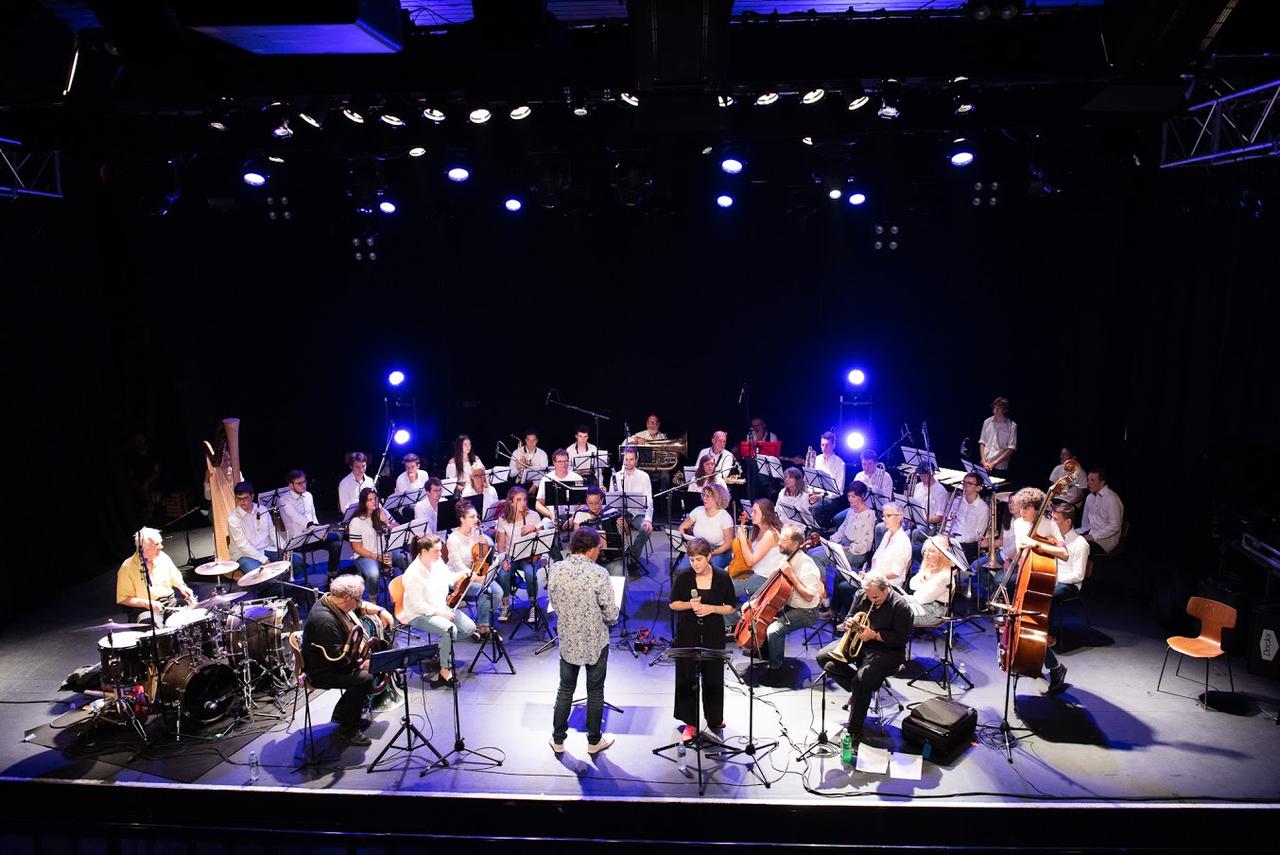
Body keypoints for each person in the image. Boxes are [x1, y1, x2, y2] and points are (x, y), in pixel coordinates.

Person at [815, 570, 913, 751]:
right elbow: (849, 616)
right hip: (859, 641)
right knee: (823, 657)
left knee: (863, 679)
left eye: (875, 596)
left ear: (887, 589)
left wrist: (875, 635)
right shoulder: (862, 595)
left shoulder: (901, 606)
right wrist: (849, 623)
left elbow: (900, 639)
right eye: (868, 595)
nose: (871, 599)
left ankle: (854, 731)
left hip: (887, 651)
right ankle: (860, 693)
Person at [548, 527, 619, 756]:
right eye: (598, 547)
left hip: (568, 640)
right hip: (595, 642)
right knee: (595, 692)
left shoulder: (557, 569)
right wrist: (612, 615)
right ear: (590, 549)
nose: (599, 552)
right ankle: (594, 741)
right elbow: (611, 614)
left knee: (565, 689)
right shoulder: (599, 574)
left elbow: (554, 602)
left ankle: (558, 740)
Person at [300, 574, 393, 746]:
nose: (359, 603)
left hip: (332, 661)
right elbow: (336, 660)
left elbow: (359, 608)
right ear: (348, 597)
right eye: (358, 599)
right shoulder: (325, 621)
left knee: (369, 667)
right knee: (364, 678)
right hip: (322, 671)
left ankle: (344, 713)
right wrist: (364, 664)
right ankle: (347, 729)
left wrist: (381, 610)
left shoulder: (330, 600)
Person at [669, 538, 736, 740]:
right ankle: (690, 723)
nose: (695, 564)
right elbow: (673, 604)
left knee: (713, 676)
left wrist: (711, 609)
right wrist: (691, 605)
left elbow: (731, 606)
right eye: (692, 560)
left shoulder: (722, 577)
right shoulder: (683, 576)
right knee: (687, 677)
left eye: (699, 559)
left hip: (713, 633)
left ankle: (714, 717)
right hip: (688, 633)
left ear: (709, 557)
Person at [399, 534, 477, 684]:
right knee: (449, 630)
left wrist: (464, 574)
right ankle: (444, 670)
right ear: (423, 551)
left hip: (441, 607)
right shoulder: (412, 574)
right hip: (419, 614)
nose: (440, 554)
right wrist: (441, 613)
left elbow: (448, 578)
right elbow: (418, 606)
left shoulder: (437, 561)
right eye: (436, 551)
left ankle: (441, 649)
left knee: (469, 629)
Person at [758, 525, 824, 671]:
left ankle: (775, 666)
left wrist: (791, 575)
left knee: (774, 630)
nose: (779, 542)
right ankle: (763, 654)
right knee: (761, 619)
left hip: (806, 611)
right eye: (780, 538)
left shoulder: (807, 565)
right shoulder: (787, 557)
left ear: (795, 544)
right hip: (790, 605)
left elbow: (808, 596)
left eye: (784, 540)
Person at [445, 501, 503, 635]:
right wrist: (479, 579)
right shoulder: (453, 539)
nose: (476, 520)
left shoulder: (477, 534)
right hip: (460, 578)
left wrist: (486, 545)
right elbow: (459, 567)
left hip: (477, 574)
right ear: (462, 519)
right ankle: (484, 626)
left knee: (498, 592)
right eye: (472, 517)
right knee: (486, 591)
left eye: (476, 516)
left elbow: (482, 559)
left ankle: (481, 620)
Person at [117, 527, 195, 622]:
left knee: (190, 616)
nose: (161, 547)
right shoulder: (127, 567)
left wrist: (182, 587)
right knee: (154, 629)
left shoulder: (162, 556)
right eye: (157, 544)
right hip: (145, 608)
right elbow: (123, 598)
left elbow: (175, 576)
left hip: (169, 602)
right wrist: (147, 603)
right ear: (144, 549)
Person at [277, 469, 344, 580]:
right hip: (298, 540)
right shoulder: (284, 500)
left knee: (336, 543)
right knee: (338, 536)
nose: (303, 485)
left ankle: (332, 575)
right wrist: (315, 529)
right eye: (299, 483)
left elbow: (312, 516)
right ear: (290, 486)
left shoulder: (308, 495)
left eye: (304, 482)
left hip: (313, 535)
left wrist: (321, 531)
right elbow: (298, 518)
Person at [494, 485, 547, 624]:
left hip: (529, 555)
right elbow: (500, 545)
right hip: (511, 556)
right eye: (519, 500)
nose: (523, 503)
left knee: (530, 573)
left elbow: (543, 535)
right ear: (511, 502)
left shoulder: (533, 515)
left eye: (524, 499)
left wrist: (534, 528)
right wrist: (503, 559)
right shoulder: (503, 519)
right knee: (503, 574)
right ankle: (505, 605)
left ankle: (533, 605)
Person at [727, 498, 783, 630]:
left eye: (754, 512)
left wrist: (742, 539)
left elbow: (751, 560)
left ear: (765, 514)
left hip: (765, 578)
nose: (751, 514)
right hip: (754, 573)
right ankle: (731, 618)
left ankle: (732, 620)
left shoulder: (770, 533)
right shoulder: (757, 530)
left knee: (725, 588)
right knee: (723, 580)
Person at [825, 482, 879, 618]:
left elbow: (865, 545)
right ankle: (832, 608)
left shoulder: (869, 515)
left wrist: (846, 548)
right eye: (849, 496)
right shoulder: (850, 511)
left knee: (824, 559)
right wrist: (831, 542)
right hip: (843, 546)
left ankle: (827, 603)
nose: (850, 500)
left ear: (862, 496)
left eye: (853, 496)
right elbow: (842, 529)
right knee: (815, 553)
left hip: (856, 551)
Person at [347, 487, 408, 597]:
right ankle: (373, 599)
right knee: (373, 574)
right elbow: (356, 548)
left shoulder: (382, 512)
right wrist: (377, 557)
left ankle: (407, 592)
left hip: (385, 550)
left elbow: (398, 527)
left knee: (406, 559)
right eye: (369, 500)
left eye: (375, 499)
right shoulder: (356, 521)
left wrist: (386, 522)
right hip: (365, 555)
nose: (374, 502)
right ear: (363, 502)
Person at [609, 447, 654, 568]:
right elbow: (612, 502)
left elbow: (649, 501)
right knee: (614, 526)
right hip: (620, 514)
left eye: (631, 459)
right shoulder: (616, 477)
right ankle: (619, 556)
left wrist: (648, 520)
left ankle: (633, 556)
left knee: (646, 529)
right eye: (626, 459)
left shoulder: (644, 476)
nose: (628, 462)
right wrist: (620, 517)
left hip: (638, 514)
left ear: (636, 460)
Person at [227, 480, 283, 575]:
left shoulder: (262, 510)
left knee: (295, 562)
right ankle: (274, 587)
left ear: (252, 496)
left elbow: (272, 532)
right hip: (243, 555)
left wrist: (284, 548)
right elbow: (243, 546)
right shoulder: (233, 518)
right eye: (239, 499)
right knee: (260, 575)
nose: (242, 502)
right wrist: (265, 560)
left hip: (264, 549)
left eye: (245, 498)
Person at [676, 484, 734, 573]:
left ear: (717, 498)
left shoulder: (725, 517)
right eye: (704, 495)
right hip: (698, 548)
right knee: (682, 569)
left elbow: (728, 544)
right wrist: (689, 544)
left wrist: (712, 553)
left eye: (708, 496)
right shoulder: (698, 510)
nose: (704, 498)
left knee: (707, 570)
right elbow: (682, 527)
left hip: (718, 550)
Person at [907, 537, 957, 626]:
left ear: (941, 555)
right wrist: (927, 577)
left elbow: (921, 598)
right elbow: (912, 584)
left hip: (933, 612)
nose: (926, 554)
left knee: (893, 612)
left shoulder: (944, 576)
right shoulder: (930, 567)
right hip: (922, 604)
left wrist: (925, 581)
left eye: (931, 551)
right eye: (925, 550)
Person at [1077, 468, 1124, 556]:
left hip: (1106, 540)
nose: (1089, 483)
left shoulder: (1111, 499)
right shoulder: (1090, 497)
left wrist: (1093, 537)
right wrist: (1075, 533)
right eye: (1088, 480)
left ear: (1102, 482)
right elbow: (1086, 525)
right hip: (1091, 534)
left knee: (1080, 549)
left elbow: (1115, 526)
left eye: (1092, 480)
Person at [947, 472, 990, 565]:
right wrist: (946, 533)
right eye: (964, 483)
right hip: (952, 537)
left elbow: (977, 535)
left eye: (969, 484)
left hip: (968, 543)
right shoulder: (957, 500)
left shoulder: (982, 508)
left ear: (978, 488)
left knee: (947, 557)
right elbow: (948, 521)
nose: (965, 486)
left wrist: (956, 539)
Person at [866, 503, 912, 589]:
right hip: (876, 579)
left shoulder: (903, 541)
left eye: (888, 516)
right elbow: (876, 558)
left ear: (899, 517)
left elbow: (895, 573)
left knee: (844, 588)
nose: (884, 519)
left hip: (889, 586)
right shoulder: (887, 534)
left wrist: (872, 577)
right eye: (883, 516)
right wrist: (869, 575)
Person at [811, 431, 847, 529]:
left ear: (833, 445)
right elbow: (810, 481)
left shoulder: (840, 463)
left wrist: (820, 496)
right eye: (822, 445)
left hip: (831, 499)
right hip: (815, 494)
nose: (824, 448)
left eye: (827, 445)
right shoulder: (816, 460)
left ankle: (813, 534)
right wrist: (810, 493)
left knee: (816, 508)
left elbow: (839, 491)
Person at [979, 396, 1018, 477]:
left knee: (997, 488)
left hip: (1000, 466)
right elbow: (982, 442)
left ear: (1005, 410)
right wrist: (983, 460)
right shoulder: (987, 422)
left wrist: (994, 463)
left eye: (998, 408)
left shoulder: (1011, 425)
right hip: (985, 463)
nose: (995, 410)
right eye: (994, 407)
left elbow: (1011, 449)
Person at [853, 449, 895, 514]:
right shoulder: (859, 476)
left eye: (869, 464)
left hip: (878, 511)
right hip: (859, 508)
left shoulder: (885, 477)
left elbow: (887, 501)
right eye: (864, 464)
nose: (866, 468)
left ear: (876, 463)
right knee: (838, 518)